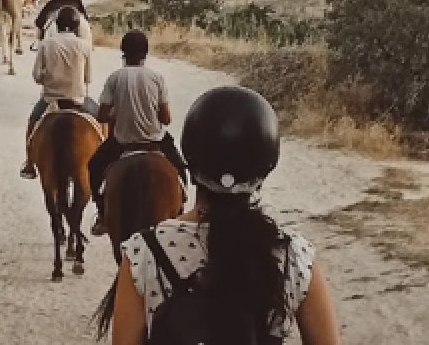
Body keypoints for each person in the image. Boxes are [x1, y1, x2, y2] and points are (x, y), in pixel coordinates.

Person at [103, 86, 341, 345]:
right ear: (265, 168)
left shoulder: (144, 253)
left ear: (192, 163)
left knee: (97, 167)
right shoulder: (293, 256)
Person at [89, 30, 188, 236]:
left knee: (94, 165)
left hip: (123, 143)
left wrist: (121, 113)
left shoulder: (115, 78)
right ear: (146, 53)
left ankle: (101, 213)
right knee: (180, 168)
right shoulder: (156, 78)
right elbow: (166, 119)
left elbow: (102, 115)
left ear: (123, 52)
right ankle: (180, 209)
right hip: (155, 141)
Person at [20, 6, 96, 179]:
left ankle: (30, 163)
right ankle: (104, 161)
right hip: (78, 99)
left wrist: (47, 79)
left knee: (33, 123)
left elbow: (36, 75)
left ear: (57, 25)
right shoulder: (84, 46)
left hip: (51, 100)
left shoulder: (46, 44)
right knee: (103, 122)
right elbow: (88, 77)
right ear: (77, 26)